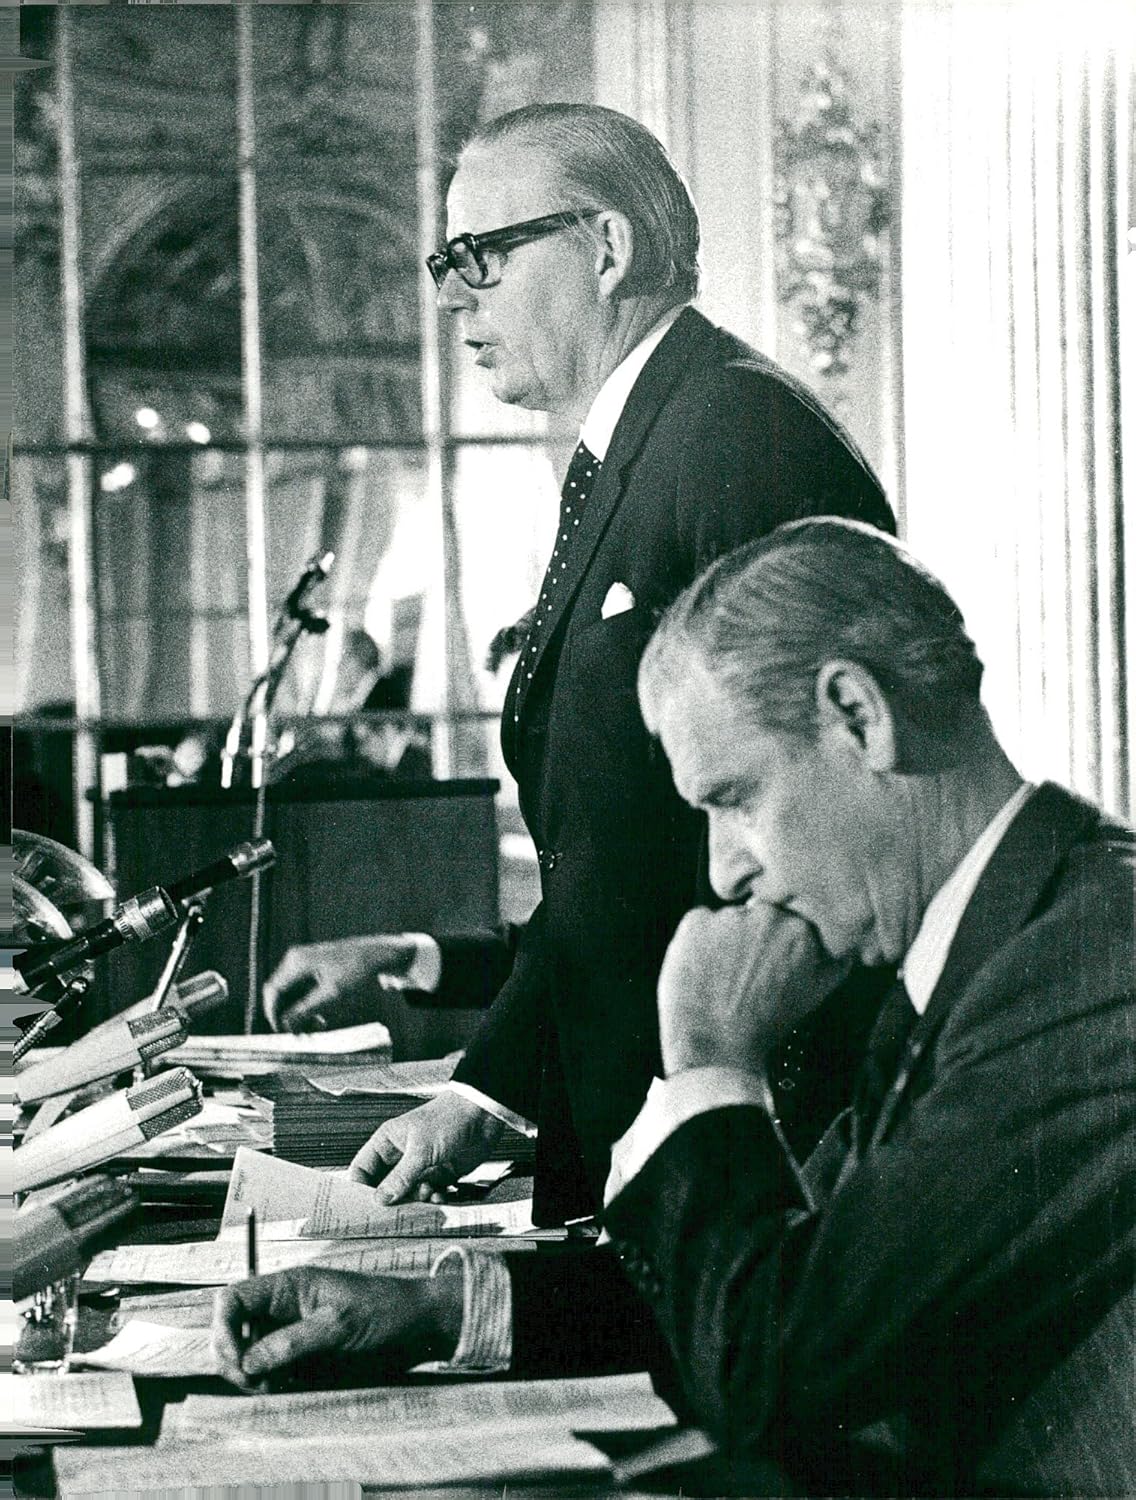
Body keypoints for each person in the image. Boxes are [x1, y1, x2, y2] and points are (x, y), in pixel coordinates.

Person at [217, 521, 1134, 1497]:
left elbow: (772, 1366)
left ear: (857, 716)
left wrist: (709, 1061)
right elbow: (769, 1279)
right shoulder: (990, 936)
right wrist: (443, 1309)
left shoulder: (1089, 960)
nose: (722, 867)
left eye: (733, 798)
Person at [264, 103, 894, 1225]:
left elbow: (791, 858)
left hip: (738, 1152)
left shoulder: (737, 441)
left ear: (605, 249)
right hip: (635, 1127)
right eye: (444, 263)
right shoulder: (648, 437)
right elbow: (619, 851)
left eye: (481, 257)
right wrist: (484, 1093)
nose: (452, 295)